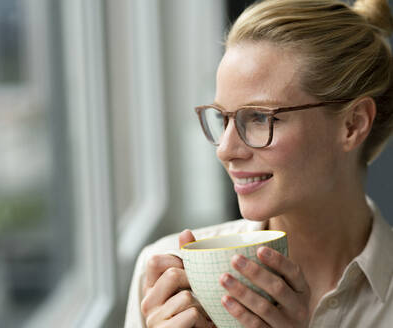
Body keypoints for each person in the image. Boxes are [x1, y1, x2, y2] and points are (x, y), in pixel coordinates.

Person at [124, 0, 393, 327]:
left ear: (352, 124)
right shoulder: (165, 282)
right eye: (223, 118)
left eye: (259, 118)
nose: (225, 149)